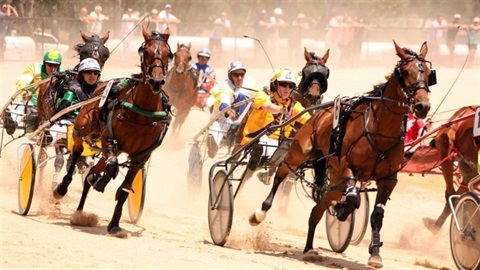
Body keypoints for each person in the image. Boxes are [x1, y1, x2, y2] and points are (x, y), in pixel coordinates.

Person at [240, 68, 310, 184]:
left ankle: (271, 174)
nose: (287, 89)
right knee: (262, 146)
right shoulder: (263, 96)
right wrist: (279, 109)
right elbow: (267, 106)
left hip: (278, 146)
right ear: (275, 85)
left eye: (290, 86)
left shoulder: (295, 105)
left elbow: (308, 119)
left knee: (291, 148)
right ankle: (256, 164)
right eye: (283, 85)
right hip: (254, 140)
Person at [50, 58, 102, 187]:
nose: (92, 76)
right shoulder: (71, 88)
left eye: (95, 73)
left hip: (90, 127)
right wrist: (67, 102)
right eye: (89, 72)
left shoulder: (102, 90)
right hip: (68, 122)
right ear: (82, 74)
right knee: (55, 135)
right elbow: (62, 107)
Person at [3, 49, 65, 135]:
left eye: (55, 66)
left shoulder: (63, 73)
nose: (53, 69)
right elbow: (22, 81)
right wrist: (24, 93)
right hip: (33, 105)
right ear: (44, 63)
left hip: (51, 109)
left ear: (59, 65)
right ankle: (12, 123)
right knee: (22, 104)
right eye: (49, 65)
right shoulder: (34, 68)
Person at [205, 61, 255, 158]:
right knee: (222, 123)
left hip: (232, 111)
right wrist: (229, 112)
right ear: (230, 76)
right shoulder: (225, 88)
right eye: (236, 75)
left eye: (242, 75)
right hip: (217, 110)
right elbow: (224, 103)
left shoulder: (242, 85)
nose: (239, 78)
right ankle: (213, 142)